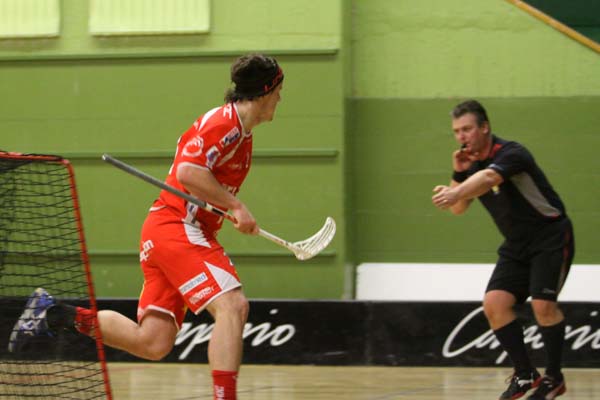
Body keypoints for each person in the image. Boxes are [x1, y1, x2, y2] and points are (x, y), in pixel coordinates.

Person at [9, 53, 284, 400]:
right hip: (176, 227)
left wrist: (226, 208)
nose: (280, 98)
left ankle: (53, 314)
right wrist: (236, 206)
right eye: (278, 90)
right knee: (233, 305)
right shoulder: (225, 124)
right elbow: (188, 172)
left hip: (171, 231)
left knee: (153, 342)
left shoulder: (242, 134)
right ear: (264, 91)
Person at [432, 100, 574, 400]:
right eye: (456, 131)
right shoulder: (471, 165)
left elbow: (488, 178)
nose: (461, 136)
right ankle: (525, 374)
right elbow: (458, 208)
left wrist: (456, 190)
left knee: (543, 306)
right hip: (516, 244)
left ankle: (554, 378)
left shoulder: (511, 153)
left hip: (549, 236)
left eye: (467, 129)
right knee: (494, 304)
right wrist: (458, 173)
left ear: (484, 127)